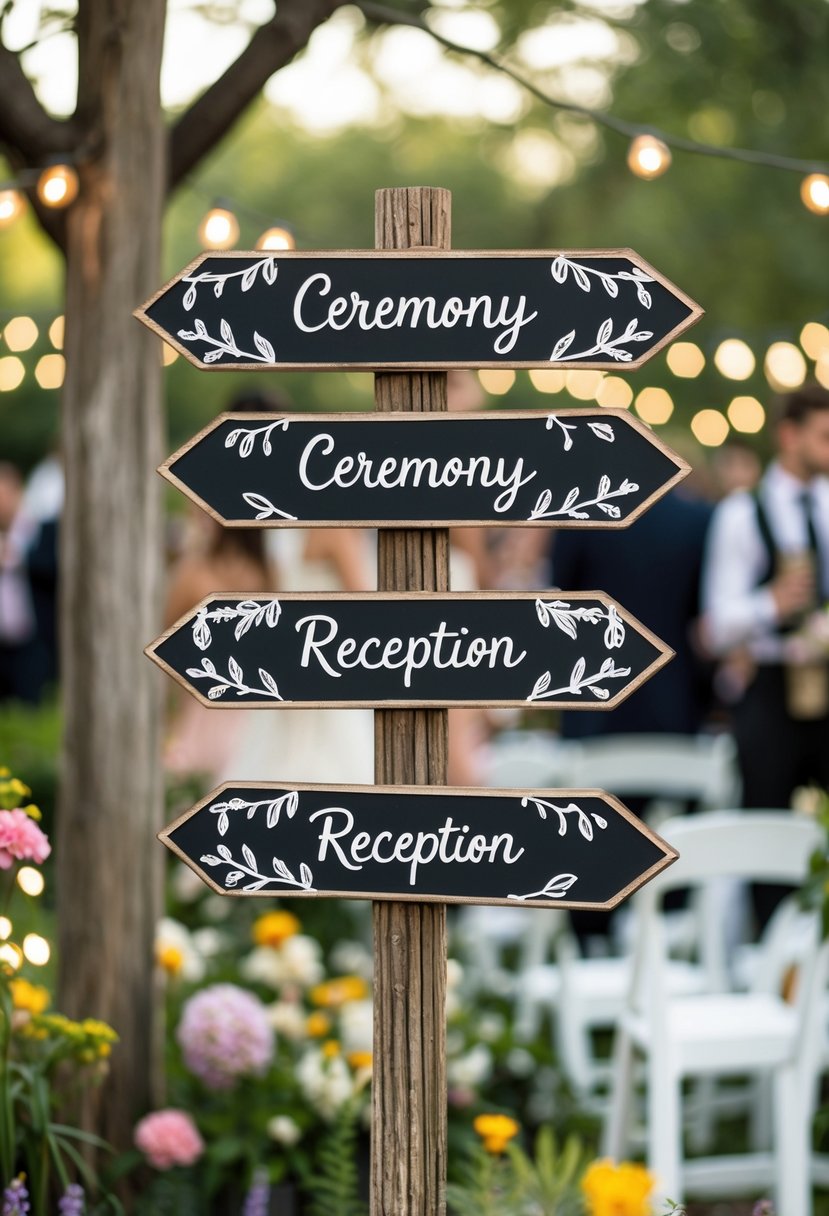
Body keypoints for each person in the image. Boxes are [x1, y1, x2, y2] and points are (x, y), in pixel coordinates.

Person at [702, 384, 829, 812]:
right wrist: (770, 604)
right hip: (768, 688)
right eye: (824, 436)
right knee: (766, 821)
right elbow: (716, 626)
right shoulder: (740, 513)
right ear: (790, 435)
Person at [549, 486, 713, 739]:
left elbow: (560, 598)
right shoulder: (698, 519)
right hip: (673, 702)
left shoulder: (578, 516)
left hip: (592, 702)